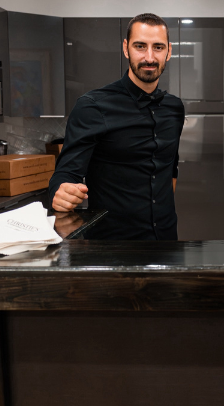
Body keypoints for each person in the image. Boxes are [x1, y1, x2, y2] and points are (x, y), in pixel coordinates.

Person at [47, 13, 184, 240]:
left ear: (168, 51)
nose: (149, 57)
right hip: (112, 247)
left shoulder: (174, 108)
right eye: (140, 46)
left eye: (158, 47)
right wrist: (60, 192)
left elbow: (170, 169)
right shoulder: (92, 107)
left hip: (166, 242)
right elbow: (65, 174)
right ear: (125, 48)